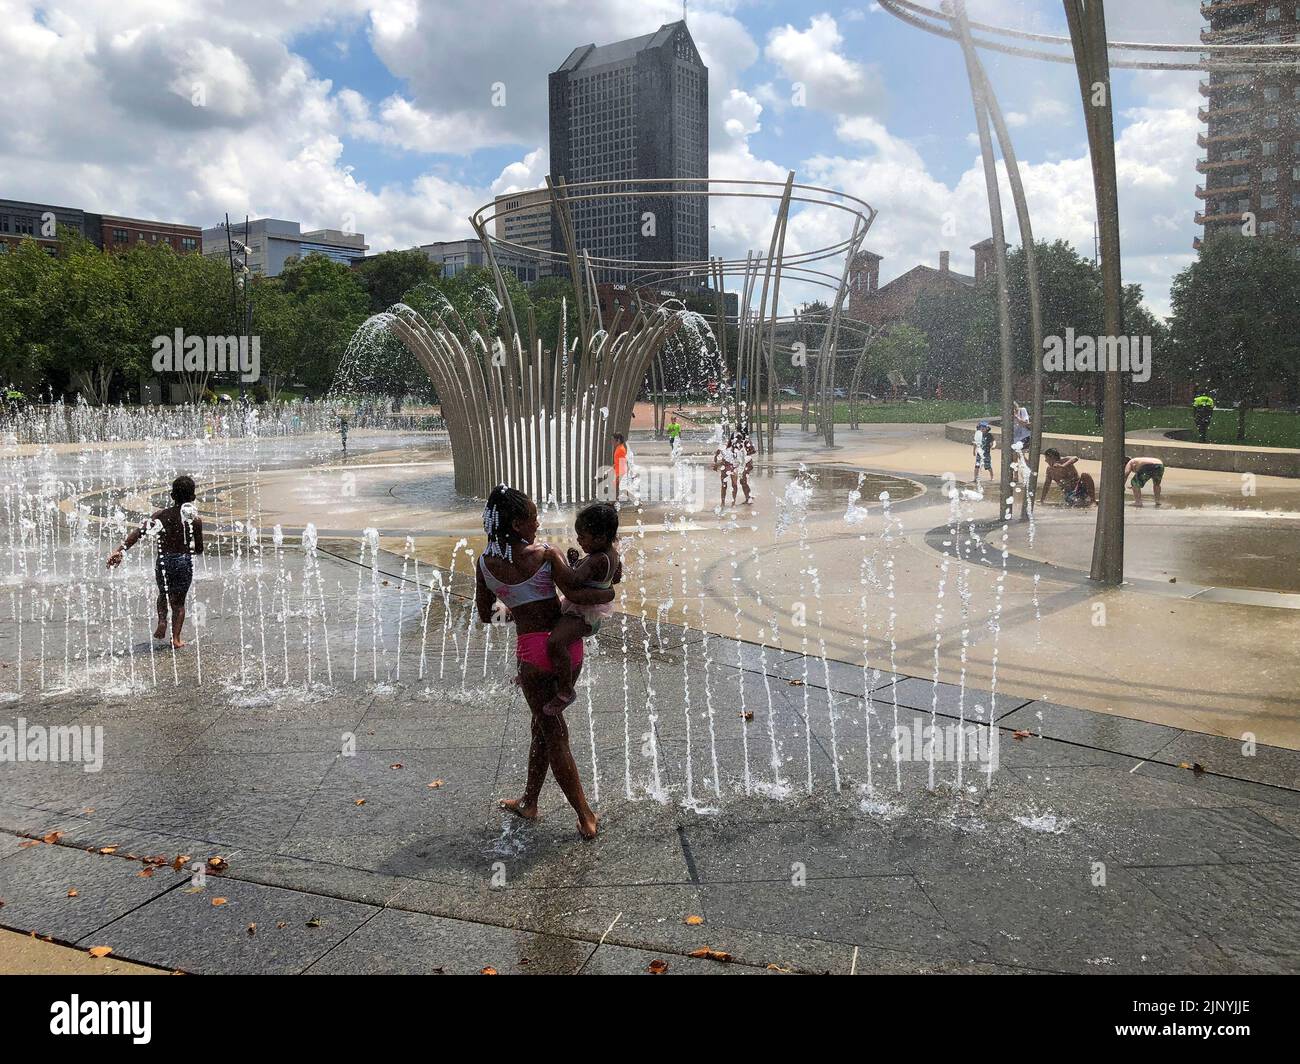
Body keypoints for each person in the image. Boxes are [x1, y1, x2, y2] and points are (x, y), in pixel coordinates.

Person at [475, 485, 615, 840]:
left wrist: (515, 605)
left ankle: (585, 814)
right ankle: (531, 802)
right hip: (568, 649)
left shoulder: (484, 564)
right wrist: (608, 593)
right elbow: (573, 592)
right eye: (533, 518)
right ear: (518, 524)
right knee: (544, 728)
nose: (539, 523)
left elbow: (486, 616)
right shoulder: (546, 554)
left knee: (552, 732)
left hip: (533, 655)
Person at [106, 475, 205, 648]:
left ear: (172, 496)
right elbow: (199, 549)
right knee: (179, 603)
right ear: (193, 498)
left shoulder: (161, 515)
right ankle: (176, 639)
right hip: (183, 562)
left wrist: (120, 550)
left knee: (163, 593)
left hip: (164, 561)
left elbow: (139, 532)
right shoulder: (195, 520)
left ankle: (161, 621)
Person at [543, 502, 621, 716]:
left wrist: (556, 560)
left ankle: (566, 691)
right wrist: (578, 562)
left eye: (583, 537)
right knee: (545, 622)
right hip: (588, 608)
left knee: (555, 642)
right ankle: (533, 671)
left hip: (583, 614)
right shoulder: (611, 554)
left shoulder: (597, 559)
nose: (578, 540)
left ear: (601, 538)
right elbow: (616, 577)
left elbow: (574, 580)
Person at [611, 432, 628, 502]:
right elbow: (618, 461)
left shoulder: (620, 449)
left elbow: (623, 462)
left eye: (613, 440)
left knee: (621, 489)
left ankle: (637, 502)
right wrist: (613, 466)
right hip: (619, 472)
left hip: (621, 472)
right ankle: (614, 502)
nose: (611, 442)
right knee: (617, 489)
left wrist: (619, 475)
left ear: (618, 440)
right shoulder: (619, 448)